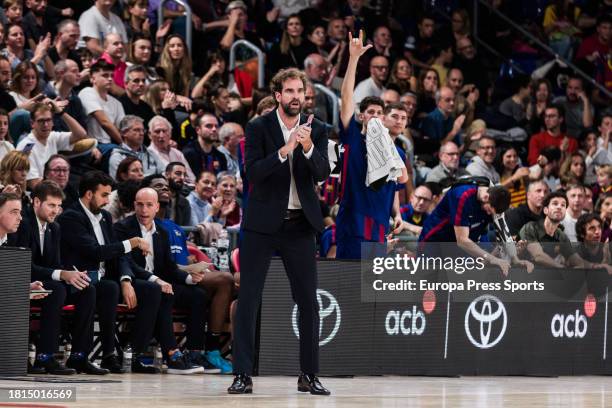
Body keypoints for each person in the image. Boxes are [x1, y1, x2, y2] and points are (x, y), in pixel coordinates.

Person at [228, 67, 330, 395]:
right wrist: (285, 150)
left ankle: (309, 375)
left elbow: (323, 173)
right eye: (289, 91)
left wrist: (310, 147)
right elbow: (254, 173)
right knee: (249, 299)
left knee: (308, 302)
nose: (296, 96)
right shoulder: (258, 127)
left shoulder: (318, 128)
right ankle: (242, 374)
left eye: (300, 91)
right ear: (277, 95)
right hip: (261, 226)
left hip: (299, 225)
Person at [57, 171, 152, 374]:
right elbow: (95, 251)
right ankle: (79, 357)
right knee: (96, 289)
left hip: (100, 279)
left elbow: (116, 254)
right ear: (89, 194)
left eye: (109, 195)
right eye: (104, 195)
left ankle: (111, 355)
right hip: (75, 280)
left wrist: (125, 280)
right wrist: (133, 242)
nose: (108, 200)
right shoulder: (71, 217)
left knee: (113, 287)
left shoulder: (105, 217)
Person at [114, 187, 208, 374]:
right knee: (160, 292)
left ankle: (194, 352)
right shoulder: (122, 228)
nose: (144, 210)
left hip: (157, 284)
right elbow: (127, 263)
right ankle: (171, 353)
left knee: (198, 295)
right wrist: (157, 280)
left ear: (157, 207)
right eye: (140, 205)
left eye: (149, 205)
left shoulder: (163, 232)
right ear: (134, 205)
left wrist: (190, 278)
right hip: (134, 283)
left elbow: (169, 267)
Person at [8, 181, 93, 375]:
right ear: (36, 202)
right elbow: (23, 265)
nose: (56, 210)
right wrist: (61, 274)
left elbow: (55, 264)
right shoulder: (23, 223)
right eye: (51, 205)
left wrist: (73, 274)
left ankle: (80, 356)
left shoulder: (55, 228)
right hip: (24, 280)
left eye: (58, 206)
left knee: (87, 288)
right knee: (57, 289)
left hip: (46, 280)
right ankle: (45, 357)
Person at [418, 181, 520, 275]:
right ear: (485, 198)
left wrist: (515, 258)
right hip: (435, 239)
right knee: (429, 282)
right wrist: (492, 258)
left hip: (457, 242)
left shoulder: (496, 198)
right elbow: (462, 240)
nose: (489, 214)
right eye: (489, 210)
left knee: (458, 282)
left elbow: (502, 229)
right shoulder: (462, 195)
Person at [520, 191, 612, 273]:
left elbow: (576, 260)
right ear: (545, 210)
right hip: (524, 280)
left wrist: (596, 266)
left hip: (548, 281)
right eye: (555, 204)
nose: (559, 207)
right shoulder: (530, 227)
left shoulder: (561, 236)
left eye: (563, 205)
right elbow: (538, 256)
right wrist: (563, 268)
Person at [16, 102, 88, 189]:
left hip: (53, 186)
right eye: (41, 121)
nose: (46, 125)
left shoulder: (52, 136)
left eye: (48, 120)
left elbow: (81, 134)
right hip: (38, 193)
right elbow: (33, 183)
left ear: (52, 122)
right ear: (32, 123)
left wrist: (61, 113)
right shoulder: (27, 146)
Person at [78, 60, 125, 149]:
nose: (110, 79)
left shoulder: (117, 103)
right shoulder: (87, 92)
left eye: (112, 76)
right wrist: (125, 146)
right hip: (92, 144)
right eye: (105, 75)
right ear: (92, 79)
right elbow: (104, 122)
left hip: (111, 144)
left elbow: (122, 129)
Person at [108, 115, 165, 180]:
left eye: (143, 130)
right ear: (123, 133)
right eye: (137, 130)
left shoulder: (150, 153)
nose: (141, 133)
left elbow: (163, 173)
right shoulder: (117, 157)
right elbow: (119, 183)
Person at [146, 115, 195, 184]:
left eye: (164, 131)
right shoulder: (147, 155)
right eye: (157, 131)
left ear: (170, 133)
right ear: (149, 135)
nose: (161, 135)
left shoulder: (177, 153)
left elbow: (191, 179)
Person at [164, 162, 191, 226]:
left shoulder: (185, 202)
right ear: (167, 175)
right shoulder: (157, 197)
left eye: (184, 175)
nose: (182, 177)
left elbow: (185, 229)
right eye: (178, 174)